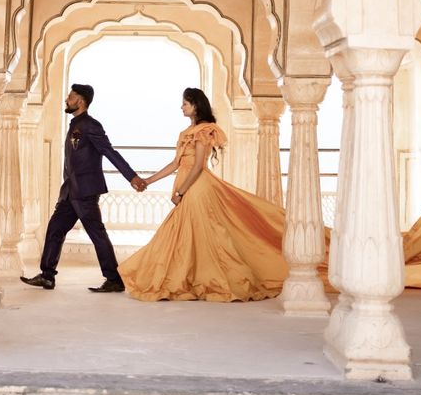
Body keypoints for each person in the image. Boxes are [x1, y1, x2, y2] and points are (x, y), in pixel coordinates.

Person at [119, 87, 289, 302]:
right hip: (187, 186)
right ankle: (191, 279)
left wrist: (181, 192)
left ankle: (207, 280)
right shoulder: (185, 133)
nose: (181, 107)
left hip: (197, 188)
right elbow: (175, 164)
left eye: (185, 104)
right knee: (187, 235)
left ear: (196, 106)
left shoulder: (204, 130)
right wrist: (147, 181)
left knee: (197, 235)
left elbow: (198, 166)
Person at [21, 83, 147, 293]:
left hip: (86, 191)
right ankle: (47, 276)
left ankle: (114, 279)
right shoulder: (74, 124)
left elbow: (109, 152)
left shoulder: (91, 125)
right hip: (70, 192)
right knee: (55, 229)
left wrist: (131, 177)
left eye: (70, 96)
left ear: (80, 101)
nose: (66, 99)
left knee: (97, 234)